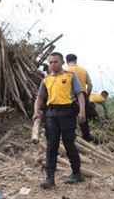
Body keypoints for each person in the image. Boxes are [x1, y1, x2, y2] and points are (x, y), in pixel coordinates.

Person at [33, 52, 86, 189]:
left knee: (69, 144)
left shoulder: (70, 76)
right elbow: (39, 97)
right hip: (51, 114)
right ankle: (50, 178)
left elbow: (80, 94)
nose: (53, 64)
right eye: (50, 62)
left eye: (55, 62)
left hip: (68, 112)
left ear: (62, 62)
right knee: (52, 146)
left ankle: (77, 173)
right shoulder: (46, 79)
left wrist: (82, 110)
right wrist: (36, 111)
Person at [66, 54, 94, 141]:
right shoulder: (83, 70)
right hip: (83, 94)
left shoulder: (65, 71)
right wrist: (88, 96)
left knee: (70, 117)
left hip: (69, 96)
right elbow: (90, 85)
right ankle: (86, 137)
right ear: (76, 60)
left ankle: (71, 137)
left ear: (66, 61)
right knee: (83, 117)